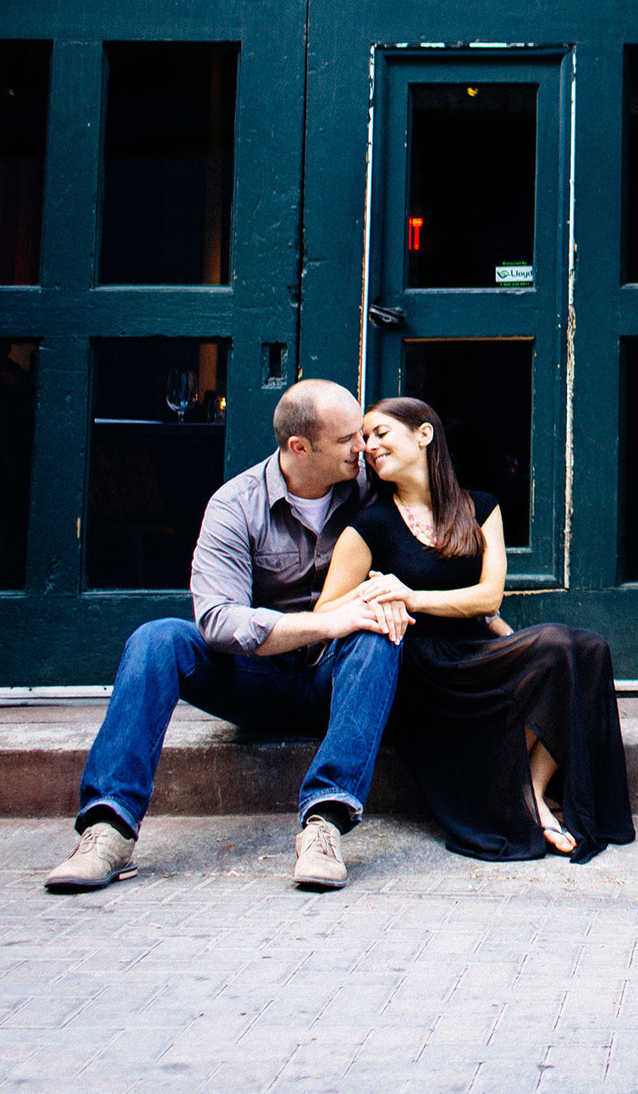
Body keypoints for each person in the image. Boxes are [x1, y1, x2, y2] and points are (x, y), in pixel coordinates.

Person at [45, 379, 412, 895]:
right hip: (255, 681)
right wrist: (328, 621)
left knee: (377, 636)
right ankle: (109, 829)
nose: (364, 447)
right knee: (158, 639)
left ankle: (324, 824)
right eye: (349, 438)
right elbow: (218, 620)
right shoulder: (235, 504)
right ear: (299, 448)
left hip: (340, 678)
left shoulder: (374, 489)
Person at [316, 396, 635, 862]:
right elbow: (325, 609)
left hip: (477, 652)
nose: (369, 446)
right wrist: (374, 595)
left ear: (424, 434)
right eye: (365, 440)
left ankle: (532, 787)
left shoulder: (480, 508)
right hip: (423, 669)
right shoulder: (370, 525)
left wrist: (411, 595)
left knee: (582, 648)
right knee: (559, 647)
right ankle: (531, 804)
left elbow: (488, 599)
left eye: (380, 433)